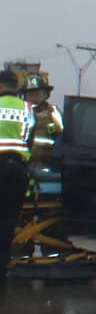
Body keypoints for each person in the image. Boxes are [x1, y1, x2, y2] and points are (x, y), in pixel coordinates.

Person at [0, 69, 34, 274]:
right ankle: (3, 262)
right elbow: (29, 138)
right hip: (18, 169)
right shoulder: (27, 108)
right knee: (8, 218)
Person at [21, 72, 62, 170]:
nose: (34, 98)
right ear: (25, 97)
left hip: (46, 165)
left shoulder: (53, 112)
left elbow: (61, 133)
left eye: (37, 94)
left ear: (45, 95)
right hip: (24, 165)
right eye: (30, 95)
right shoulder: (21, 113)